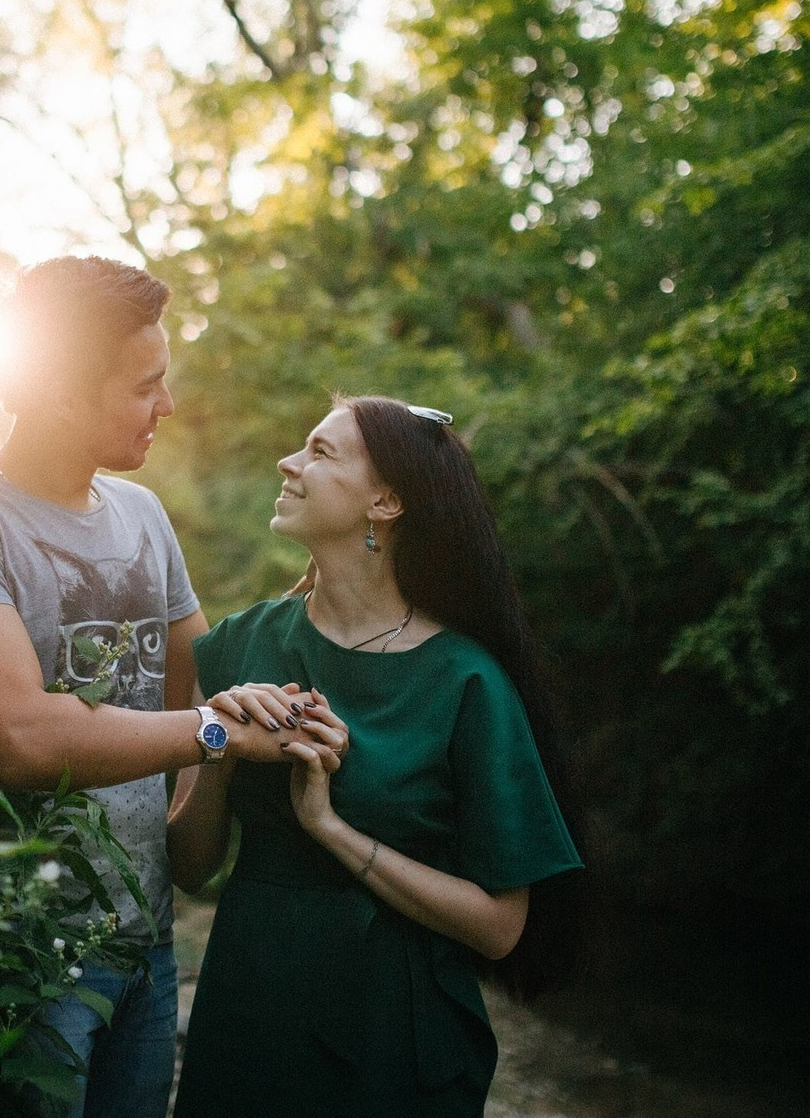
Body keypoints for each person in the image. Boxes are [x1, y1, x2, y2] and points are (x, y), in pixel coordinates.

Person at [0, 257, 328, 1118]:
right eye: (144, 386)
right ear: (59, 391)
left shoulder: (143, 515)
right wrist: (212, 732)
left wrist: (341, 572)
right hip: (15, 958)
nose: (168, 405)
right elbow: (19, 736)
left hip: (144, 952)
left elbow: (213, 679)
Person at [169, 395, 584, 1116]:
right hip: (251, 1009)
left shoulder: (468, 680)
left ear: (386, 501)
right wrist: (220, 739)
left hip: (396, 1030)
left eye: (320, 452)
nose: (287, 462)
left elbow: (499, 923)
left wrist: (332, 829)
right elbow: (190, 861)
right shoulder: (238, 646)